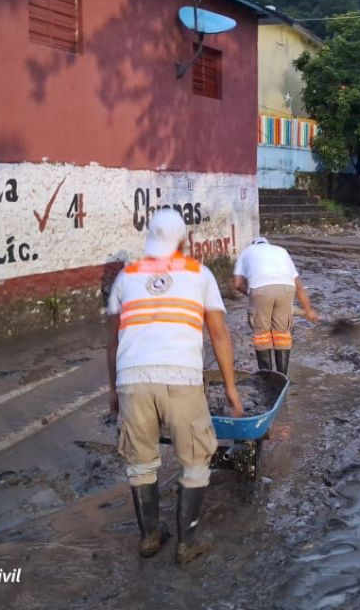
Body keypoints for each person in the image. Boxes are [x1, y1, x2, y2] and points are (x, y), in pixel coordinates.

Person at [106, 208, 244, 564]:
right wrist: (230, 389)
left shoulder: (126, 276)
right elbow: (218, 334)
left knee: (140, 463)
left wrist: (113, 391)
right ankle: (187, 544)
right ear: (184, 240)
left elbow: (113, 341)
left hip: (132, 379)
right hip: (181, 378)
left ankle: (150, 537)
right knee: (196, 460)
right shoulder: (199, 274)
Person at [232, 237, 319, 375]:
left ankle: (267, 378)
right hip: (286, 288)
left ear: (254, 244)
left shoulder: (246, 252)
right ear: (267, 244)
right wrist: (308, 310)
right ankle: (282, 376)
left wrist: (253, 294)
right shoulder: (281, 251)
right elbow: (299, 285)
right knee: (282, 335)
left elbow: (237, 283)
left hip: (259, 289)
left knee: (262, 336)